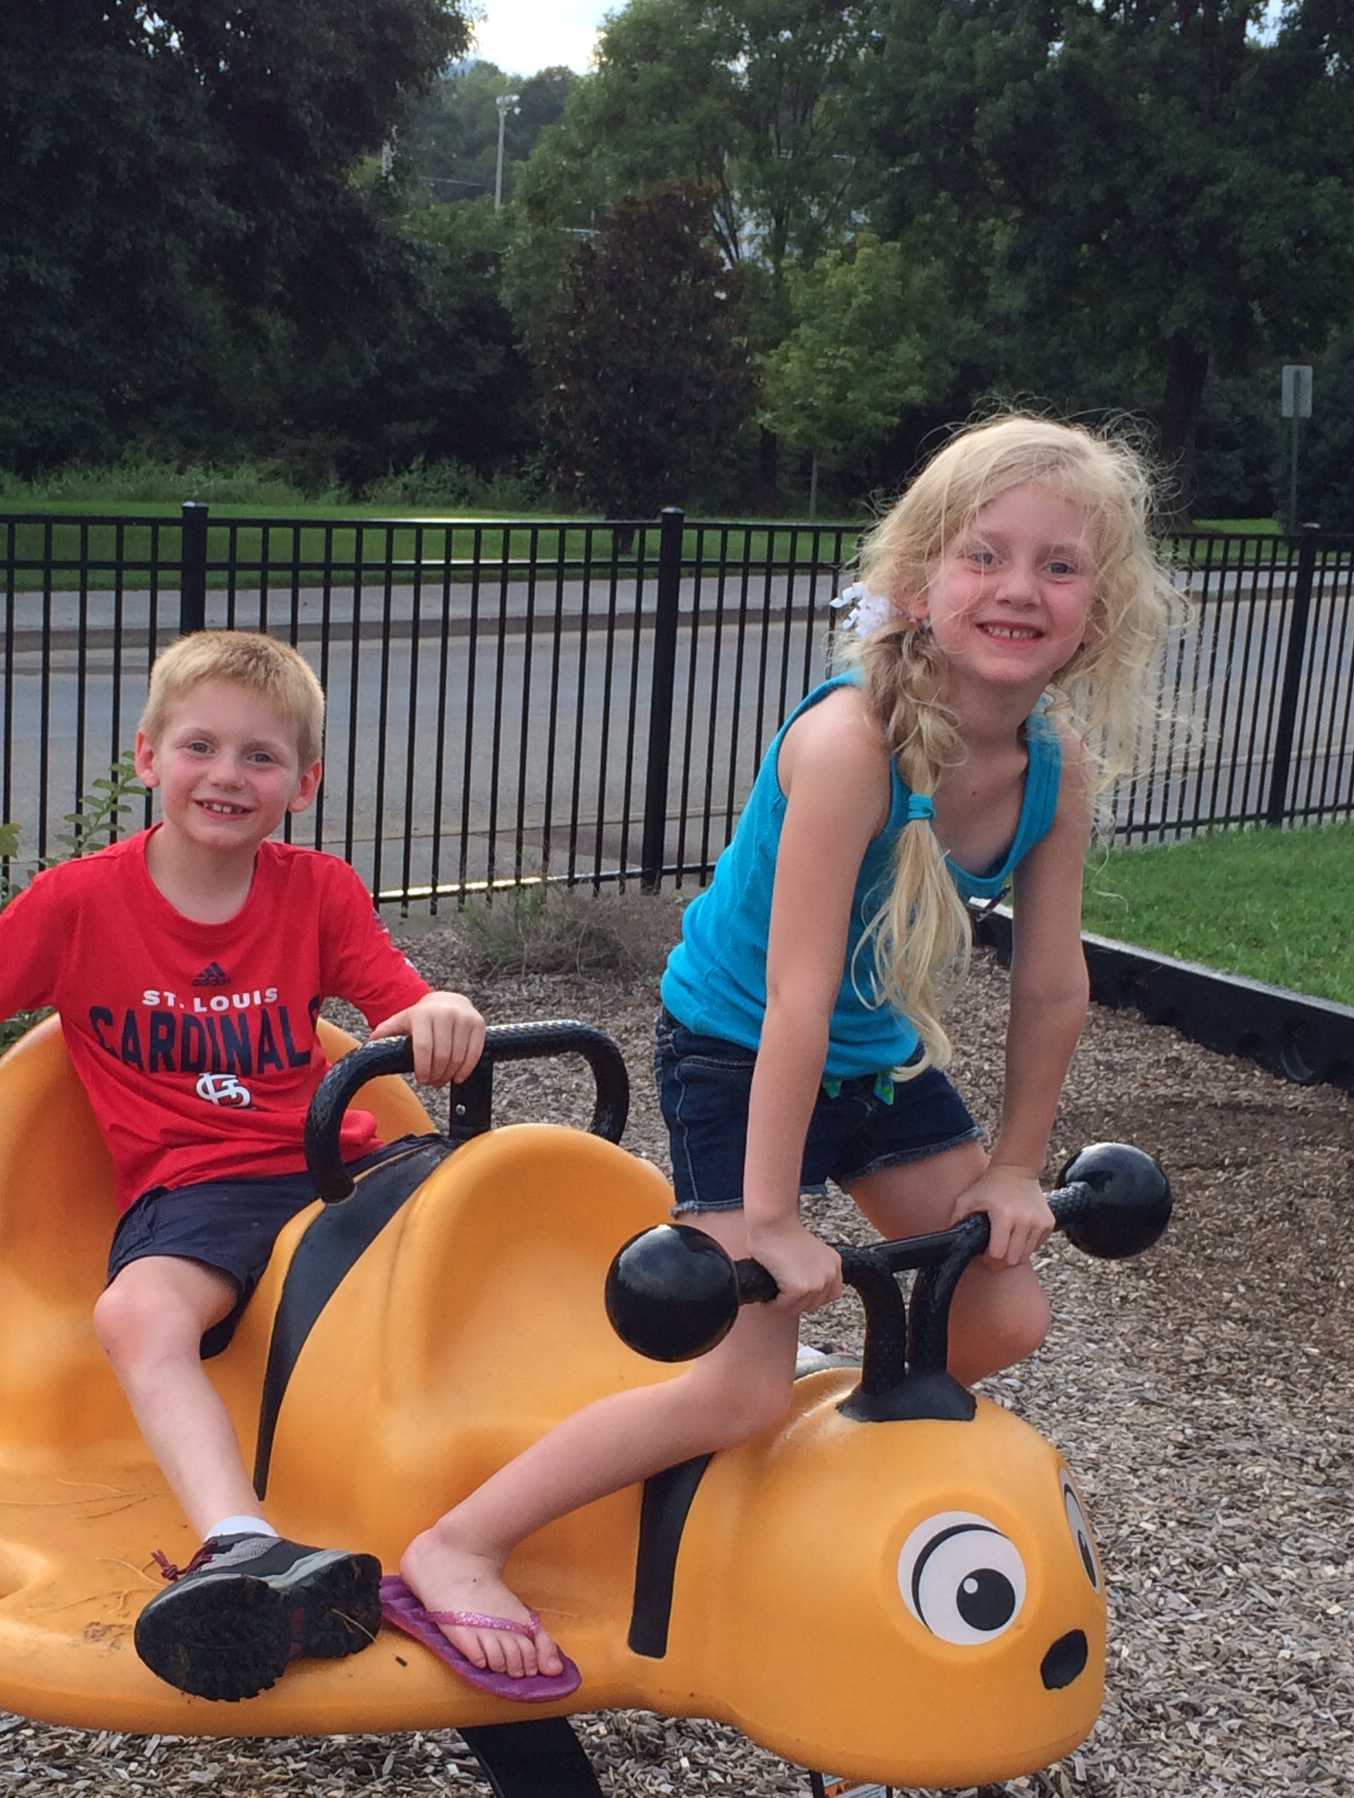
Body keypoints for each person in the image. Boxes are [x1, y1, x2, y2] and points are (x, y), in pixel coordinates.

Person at [389, 415, 1180, 1696]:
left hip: (873, 1058)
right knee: (744, 1390)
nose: (1020, 588)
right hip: (737, 1044)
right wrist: (767, 1219)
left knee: (1004, 1310)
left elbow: (1051, 983)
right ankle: (459, 1541)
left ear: (1102, 609)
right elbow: (793, 997)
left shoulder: (1053, 765)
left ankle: (779, 1467)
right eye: (985, 554)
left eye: (1060, 565)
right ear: (918, 581)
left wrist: (1017, 1164)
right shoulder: (852, 740)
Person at [0, 630, 486, 1704]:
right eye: (201, 746)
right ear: (148, 757)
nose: (227, 775)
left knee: (483, 1241)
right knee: (137, 1313)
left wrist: (438, 1011)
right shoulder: (80, 902)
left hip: (337, 1166)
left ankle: (537, 1489)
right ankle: (245, 1547)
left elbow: (400, 1003)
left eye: (261, 756)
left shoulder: (319, 890)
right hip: (199, 1191)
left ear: (304, 783)